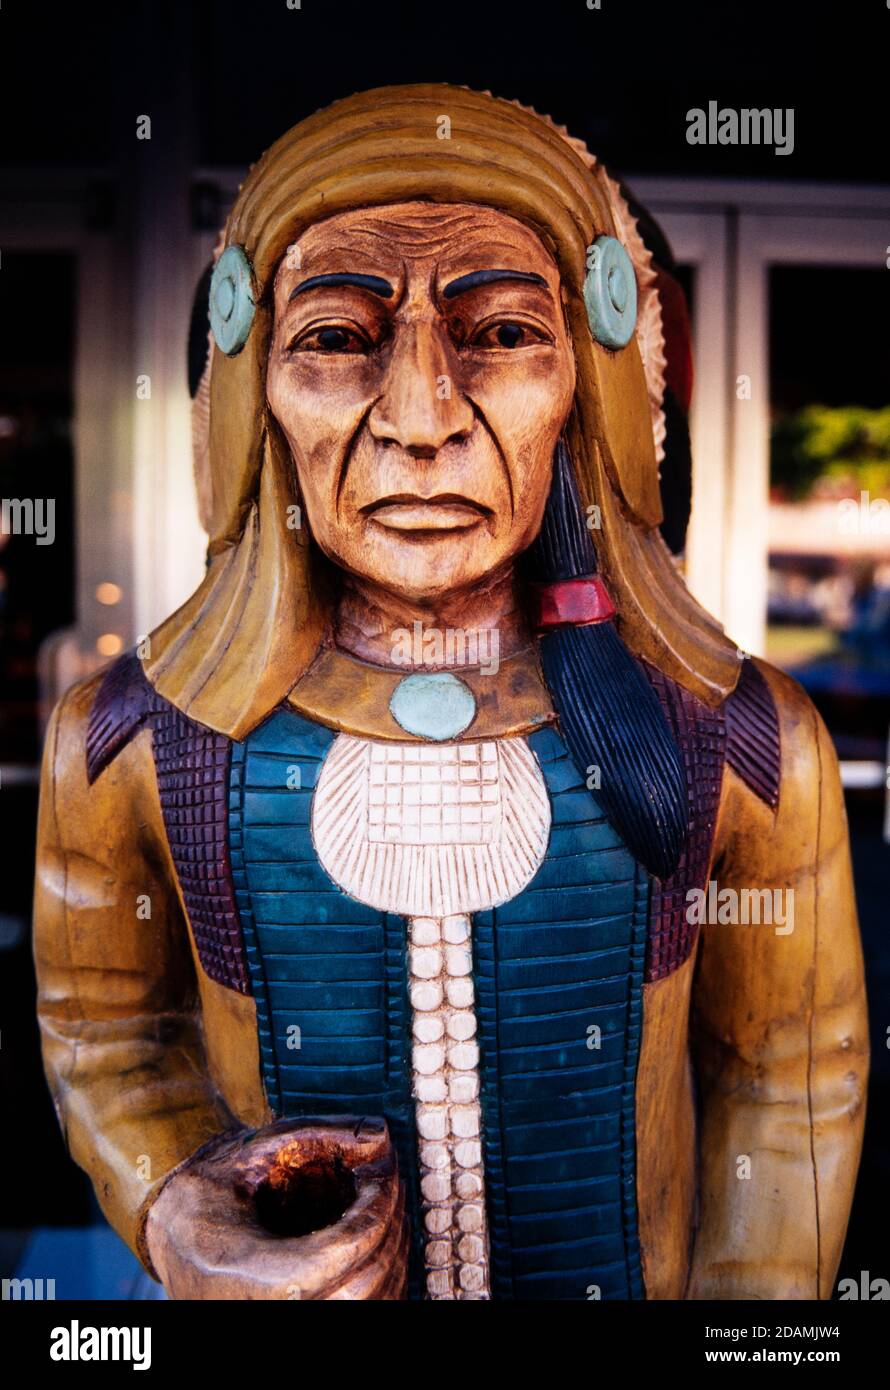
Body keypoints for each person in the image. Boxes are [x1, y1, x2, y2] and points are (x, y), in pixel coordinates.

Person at [33, 84, 868, 1301]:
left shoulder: (742, 745)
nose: (419, 417)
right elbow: (104, 1034)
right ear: (251, 387)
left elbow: (789, 1076)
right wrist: (170, 1206)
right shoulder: (131, 746)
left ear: (588, 387)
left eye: (499, 332)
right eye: (334, 337)